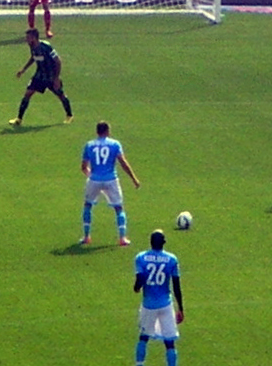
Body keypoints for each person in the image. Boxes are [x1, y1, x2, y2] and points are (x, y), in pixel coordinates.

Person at [80, 118, 142, 246]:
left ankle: (86, 237)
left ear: (97, 132)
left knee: (88, 206)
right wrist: (134, 179)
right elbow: (123, 163)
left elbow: (83, 167)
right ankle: (122, 238)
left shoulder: (89, 145)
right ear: (107, 131)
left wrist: (91, 175)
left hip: (94, 180)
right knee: (119, 208)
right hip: (111, 179)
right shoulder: (115, 144)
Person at [131, 228, 183, 366]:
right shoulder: (171, 259)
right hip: (166, 304)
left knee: (143, 337)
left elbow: (139, 279)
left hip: (148, 304)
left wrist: (136, 288)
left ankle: (139, 364)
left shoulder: (141, 257)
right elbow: (176, 286)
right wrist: (180, 309)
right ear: (163, 243)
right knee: (169, 341)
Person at [12, 27, 72, 125]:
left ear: (34, 38)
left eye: (28, 38)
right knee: (27, 94)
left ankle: (69, 115)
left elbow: (58, 61)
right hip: (39, 75)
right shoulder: (32, 46)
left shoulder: (45, 47)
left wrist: (56, 78)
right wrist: (23, 69)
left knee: (60, 95)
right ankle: (19, 119)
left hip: (50, 76)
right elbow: (33, 57)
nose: (26, 40)